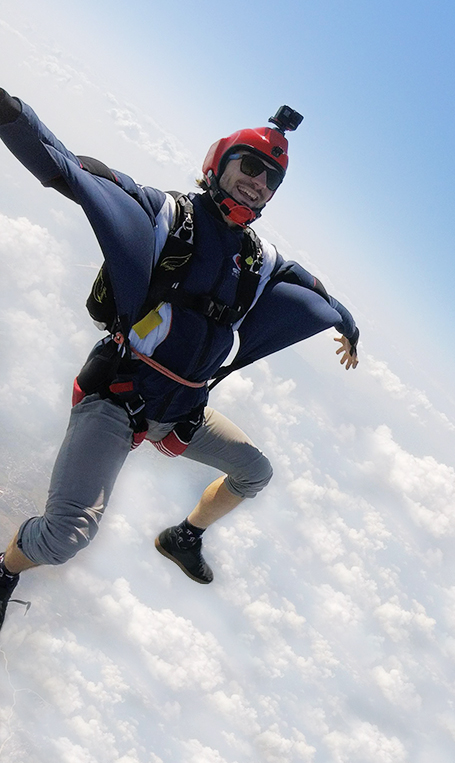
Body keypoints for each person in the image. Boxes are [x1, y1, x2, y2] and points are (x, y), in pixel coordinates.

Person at [0, 89, 360, 629]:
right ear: (218, 164)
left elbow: (318, 292)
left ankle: (183, 536)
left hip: (184, 408)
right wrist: (12, 114)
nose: (259, 182)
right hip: (118, 401)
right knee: (62, 538)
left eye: (271, 179)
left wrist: (350, 326)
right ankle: (4, 571)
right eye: (251, 166)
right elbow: (71, 168)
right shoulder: (167, 215)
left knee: (254, 473)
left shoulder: (259, 261)